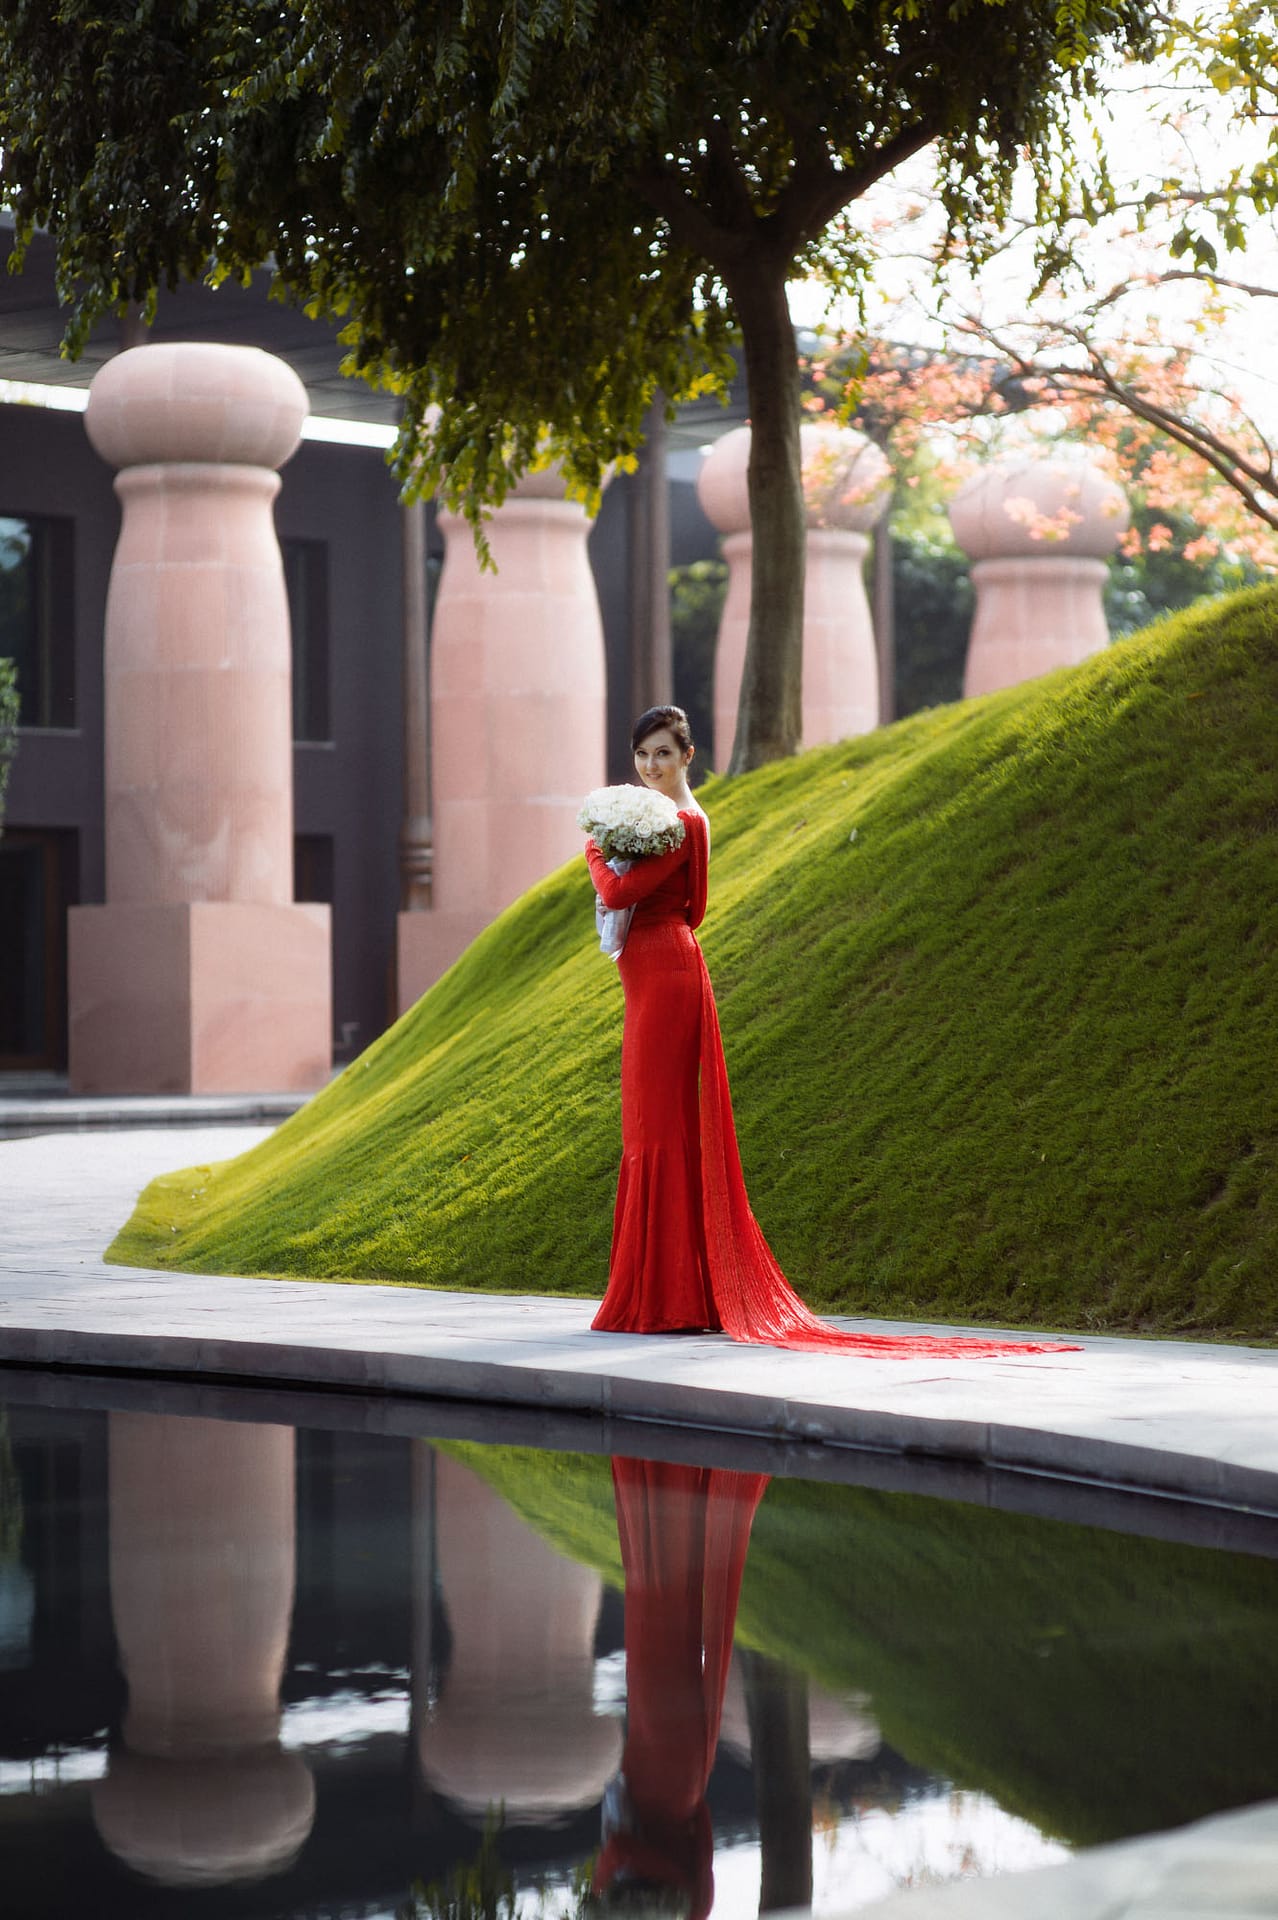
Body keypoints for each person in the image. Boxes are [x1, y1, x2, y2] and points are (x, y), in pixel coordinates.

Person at [584, 706, 1077, 1358]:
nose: (651, 766)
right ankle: (660, 1294)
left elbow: (627, 897)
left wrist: (595, 849)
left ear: (687, 756)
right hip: (651, 973)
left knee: (666, 1126)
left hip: (670, 973)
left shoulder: (684, 823)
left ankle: (672, 1300)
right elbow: (685, 905)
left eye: (663, 755)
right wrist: (617, 856)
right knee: (647, 1124)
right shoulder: (656, 822)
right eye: (643, 754)